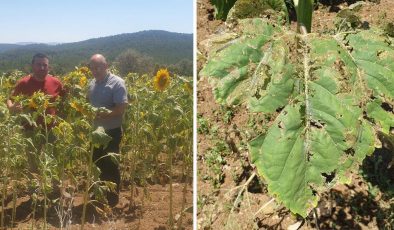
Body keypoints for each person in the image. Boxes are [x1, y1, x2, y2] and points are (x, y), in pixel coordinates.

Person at [87, 54, 128, 207]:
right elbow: (89, 102)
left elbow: (121, 108)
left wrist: (106, 114)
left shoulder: (117, 83)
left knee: (110, 164)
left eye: (98, 67)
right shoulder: (92, 83)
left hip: (111, 131)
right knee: (96, 163)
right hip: (95, 131)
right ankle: (98, 192)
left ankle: (112, 197)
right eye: (92, 68)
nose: (95, 70)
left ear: (106, 65)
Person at [7, 53, 64, 126]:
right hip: (29, 130)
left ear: (48, 67)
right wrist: (11, 107)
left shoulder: (56, 82)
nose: (42, 68)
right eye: (38, 64)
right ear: (32, 66)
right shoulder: (24, 83)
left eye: (45, 65)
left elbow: (65, 96)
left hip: (51, 129)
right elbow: (10, 99)